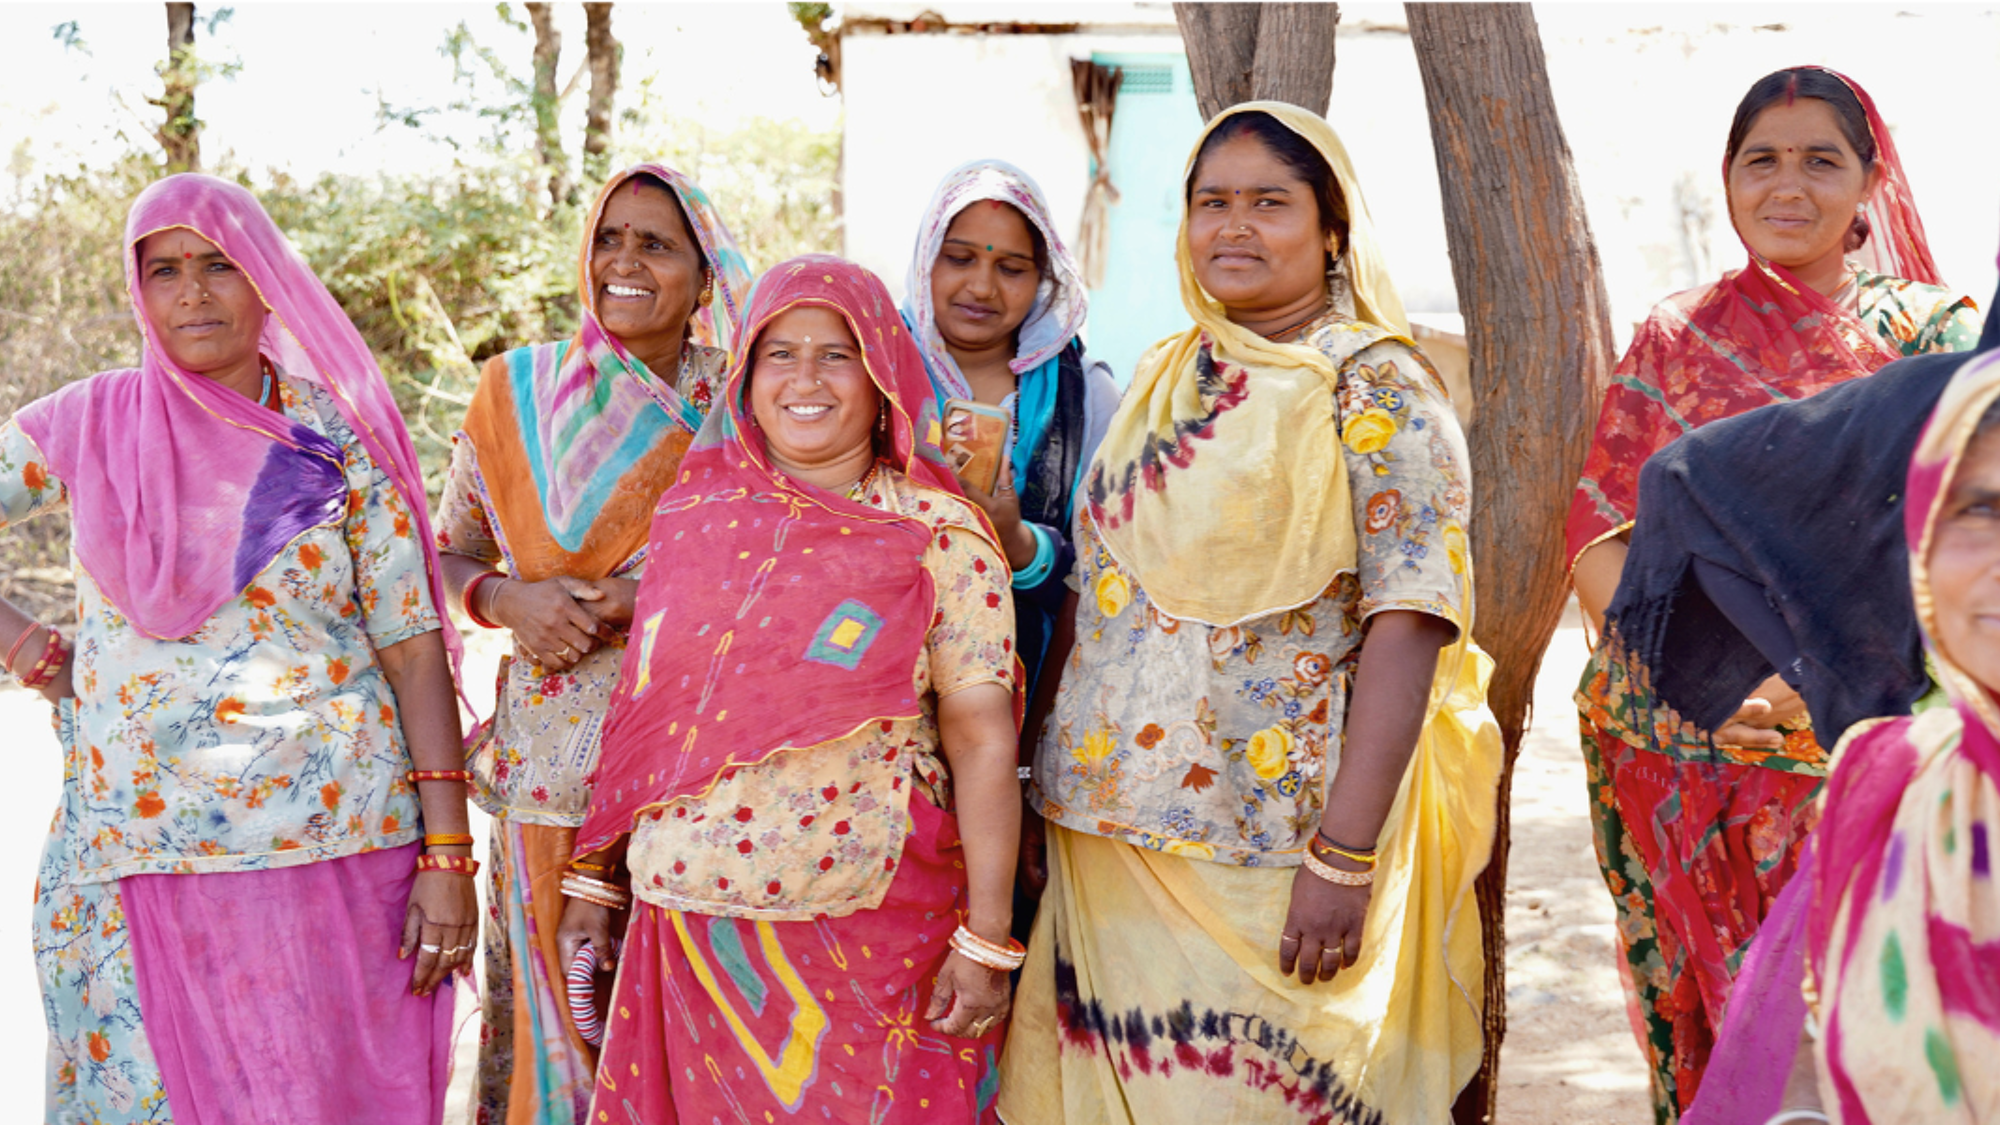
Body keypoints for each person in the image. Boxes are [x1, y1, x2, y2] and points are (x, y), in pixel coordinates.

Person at [997, 102, 1501, 1125]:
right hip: (1105, 840)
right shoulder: (1162, 376)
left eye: (1268, 203)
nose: (1232, 226)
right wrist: (1033, 781)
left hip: (1273, 852)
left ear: (1330, 230)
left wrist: (1343, 857)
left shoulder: (1376, 387)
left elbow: (1411, 618)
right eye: (1209, 202)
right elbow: (1099, 595)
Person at [7, 174, 473, 1124]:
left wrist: (451, 853)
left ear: (264, 278)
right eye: (165, 269)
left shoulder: (336, 436)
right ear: (138, 291)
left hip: (338, 851)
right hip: (137, 856)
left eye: (220, 264)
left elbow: (413, 644)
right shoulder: (83, 424)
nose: (193, 292)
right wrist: (22, 646)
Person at [1563, 66, 1981, 1120]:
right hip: (1669, 752)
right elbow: (1596, 538)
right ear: (1727, 179)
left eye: (1818, 160)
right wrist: (1716, 686)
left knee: (1861, 1020)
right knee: (1714, 1034)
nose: (1784, 185)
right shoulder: (1673, 336)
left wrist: (1803, 683)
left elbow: (1954, 536)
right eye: (1760, 159)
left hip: (1858, 746)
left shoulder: (1932, 338)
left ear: (1869, 184)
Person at [558, 255, 1023, 1123]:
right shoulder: (697, 520)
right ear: (745, 375)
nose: (805, 379)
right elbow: (650, 720)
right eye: (779, 354)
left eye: (835, 354)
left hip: (874, 935)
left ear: (882, 371)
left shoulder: (935, 531)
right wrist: (595, 881)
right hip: (690, 930)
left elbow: (982, 738)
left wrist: (987, 936)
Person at [433, 163, 751, 1125]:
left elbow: (783, 564)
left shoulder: (744, 405)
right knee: (554, 1027)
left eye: (656, 244)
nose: (624, 261)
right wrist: (506, 598)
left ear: (706, 275)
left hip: (701, 778)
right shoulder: (515, 393)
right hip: (549, 783)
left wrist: (630, 599)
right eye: (610, 239)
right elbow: (446, 559)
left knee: (674, 1029)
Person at [902, 159, 1121, 705]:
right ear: (927, 258)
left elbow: (1107, 574)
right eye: (959, 258)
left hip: (1029, 683)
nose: (982, 286)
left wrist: (1017, 542)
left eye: (1012, 268)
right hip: (879, 680)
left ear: (1044, 279)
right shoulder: (872, 366)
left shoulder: (1085, 395)